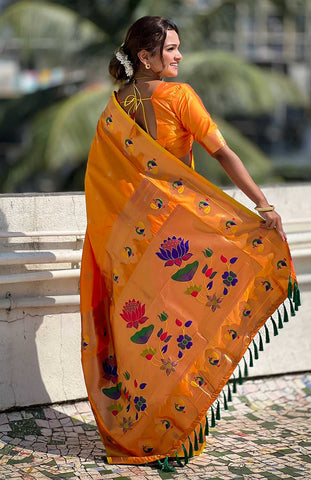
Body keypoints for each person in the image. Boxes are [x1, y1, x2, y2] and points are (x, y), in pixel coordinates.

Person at [80, 16, 299, 469]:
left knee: (144, 334)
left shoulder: (116, 105)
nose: (179, 56)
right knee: (181, 324)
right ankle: (174, 433)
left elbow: (106, 183)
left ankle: (141, 431)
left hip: (129, 244)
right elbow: (222, 153)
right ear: (146, 56)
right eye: (172, 49)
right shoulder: (179, 96)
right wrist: (262, 206)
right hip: (176, 236)